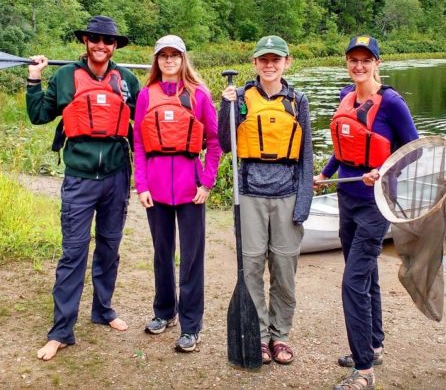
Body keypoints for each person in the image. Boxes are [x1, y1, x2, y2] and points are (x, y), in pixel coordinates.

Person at [27, 16, 141, 362]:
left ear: (115, 46)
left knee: (109, 246)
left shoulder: (128, 80)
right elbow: (39, 115)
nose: (101, 46)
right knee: (74, 252)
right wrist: (34, 79)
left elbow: (145, 119)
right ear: (85, 42)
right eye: (95, 39)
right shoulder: (64, 77)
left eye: (108, 41)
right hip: (78, 176)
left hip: (117, 174)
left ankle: (103, 310)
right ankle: (62, 331)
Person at [314, 35, 419, 390]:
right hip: (347, 197)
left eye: (366, 60)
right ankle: (373, 346)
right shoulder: (347, 95)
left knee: (353, 282)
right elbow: (346, 143)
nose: (359, 66)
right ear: (347, 62)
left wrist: (386, 169)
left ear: (377, 62)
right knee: (366, 272)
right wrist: (325, 175)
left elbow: (415, 152)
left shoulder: (391, 103)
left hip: (377, 203)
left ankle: (363, 371)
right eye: (353, 60)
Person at [218, 35, 314, 365]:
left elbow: (307, 157)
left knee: (284, 270)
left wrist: (304, 204)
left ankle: (280, 335)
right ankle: (257, 336)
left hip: (287, 195)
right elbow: (225, 143)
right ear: (255, 63)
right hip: (250, 196)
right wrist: (226, 107)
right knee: (252, 269)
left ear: (287, 62)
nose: (269, 65)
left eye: (276, 59)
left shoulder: (298, 100)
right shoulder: (242, 97)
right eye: (263, 59)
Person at [133, 35, 221, 353]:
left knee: (192, 258)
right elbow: (140, 143)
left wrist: (207, 182)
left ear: (184, 59)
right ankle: (164, 312)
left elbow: (214, 141)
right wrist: (140, 184)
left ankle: (190, 326)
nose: (169, 60)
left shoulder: (198, 95)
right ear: (157, 61)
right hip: (155, 187)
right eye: (163, 56)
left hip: (190, 187)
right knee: (162, 253)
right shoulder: (146, 95)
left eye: (175, 55)